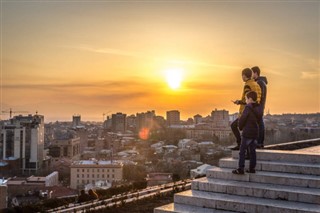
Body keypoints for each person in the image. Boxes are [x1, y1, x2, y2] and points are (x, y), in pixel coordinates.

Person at [232, 91, 262, 174]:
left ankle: (240, 168)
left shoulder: (248, 108)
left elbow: (242, 119)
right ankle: (252, 169)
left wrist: (240, 127)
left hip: (247, 132)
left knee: (242, 151)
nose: (246, 101)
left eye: (246, 99)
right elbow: (259, 120)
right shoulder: (259, 108)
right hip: (255, 132)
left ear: (250, 99)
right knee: (253, 151)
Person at [231, 68, 261, 150]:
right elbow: (255, 99)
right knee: (248, 133)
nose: (242, 77)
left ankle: (240, 144)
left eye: (242, 76)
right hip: (255, 110)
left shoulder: (247, 85)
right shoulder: (256, 84)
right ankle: (247, 149)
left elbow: (247, 100)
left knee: (234, 126)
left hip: (247, 111)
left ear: (244, 76)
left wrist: (239, 102)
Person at [252, 66, 268, 148]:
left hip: (259, 106)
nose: (251, 75)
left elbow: (260, 96)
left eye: (252, 73)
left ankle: (259, 142)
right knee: (259, 123)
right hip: (260, 106)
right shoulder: (261, 82)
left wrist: (256, 105)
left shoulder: (260, 83)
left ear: (255, 73)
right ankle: (259, 142)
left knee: (260, 124)